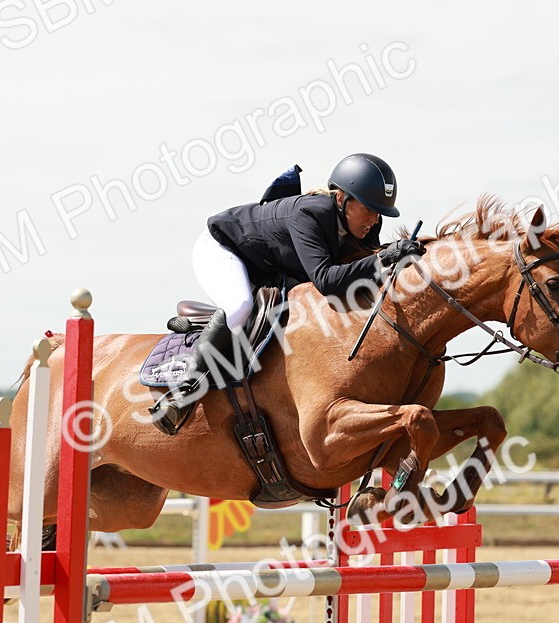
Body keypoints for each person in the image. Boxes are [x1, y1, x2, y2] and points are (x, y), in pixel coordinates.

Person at [151, 153, 426, 435]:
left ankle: (206, 325)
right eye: (368, 209)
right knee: (240, 306)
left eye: (379, 212)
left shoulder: (367, 224)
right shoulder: (311, 214)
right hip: (222, 249)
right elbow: (326, 280)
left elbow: (362, 266)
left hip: (265, 264)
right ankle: (182, 392)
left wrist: (397, 254)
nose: (374, 219)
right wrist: (383, 259)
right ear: (342, 198)